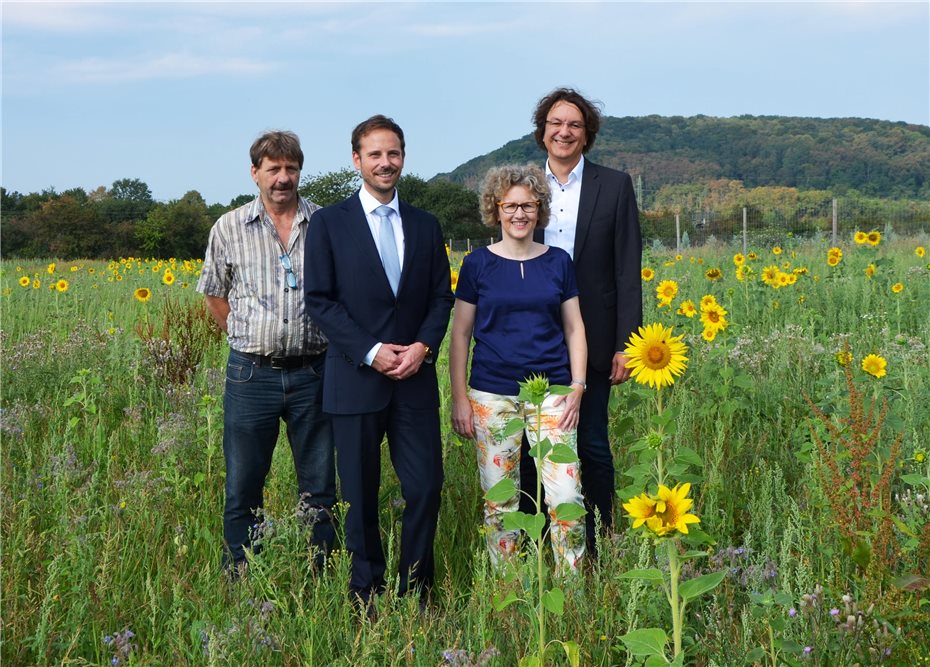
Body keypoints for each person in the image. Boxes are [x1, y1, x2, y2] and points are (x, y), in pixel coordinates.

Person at [304, 115, 454, 613]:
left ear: (403, 157)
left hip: (414, 380)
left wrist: (422, 348)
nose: (385, 163)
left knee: (426, 486)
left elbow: (440, 297)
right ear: (356, 160)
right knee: (360, 496)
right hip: (355, 379)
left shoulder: (427, 225)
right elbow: (320, 301)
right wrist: (371, 350)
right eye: (375, 154)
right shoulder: (328, 223)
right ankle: (365, 591)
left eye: (393, 154)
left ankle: (417, 589)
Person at [197, 130, 335, 575]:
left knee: (318, 484)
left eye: (290, 168)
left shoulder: (326, 225)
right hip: (250, 374)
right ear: (254, 172)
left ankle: (321, 572)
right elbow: (216, 294)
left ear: (300, 171)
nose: (282, 177)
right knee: (243, 483)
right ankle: (240, 571)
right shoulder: (229, 227)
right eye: (273, 169)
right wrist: (246, 335)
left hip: (314, 371)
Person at [520, 88, 643, 556]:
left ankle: (600, 540)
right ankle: (542, 541)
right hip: (534, 333)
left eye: (574, 124)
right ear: (543, 130)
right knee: (534, 445)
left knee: (590, 441)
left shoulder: (614, 185)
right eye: (555, 122)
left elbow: (626, 268)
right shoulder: (525, 185)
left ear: (586, 134)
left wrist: (625, 344)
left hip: (593, 333)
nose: (563, 131)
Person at [450, 164, 588, 574]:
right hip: (492, 396)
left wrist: (578, 385)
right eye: (510, 205)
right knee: (500, 498)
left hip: (553, 393)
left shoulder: (558, 262)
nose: (519, 214)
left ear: (540, 209)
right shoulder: (477, 264)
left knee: (566, 495)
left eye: (528, 205)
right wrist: (459, 399)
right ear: (495, 209)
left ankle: (572, 585)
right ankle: (507, 584)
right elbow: (460, 335)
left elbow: (574, 326)